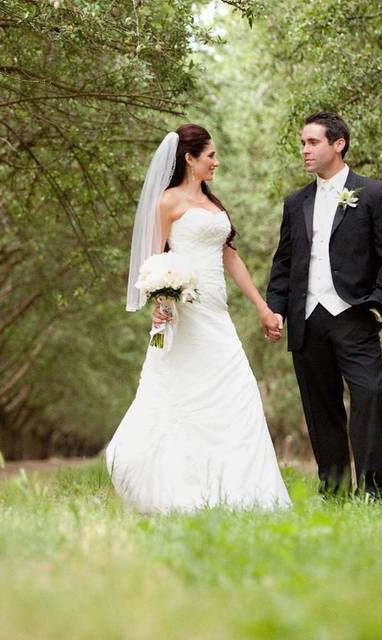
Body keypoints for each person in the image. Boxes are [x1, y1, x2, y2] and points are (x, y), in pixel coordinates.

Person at [104, 123, 291, 514]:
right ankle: (176, 488)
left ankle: (246, 492)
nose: (216, 162)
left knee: (237, 392)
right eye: (210, 156)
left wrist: (262, 306)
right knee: (181, 395)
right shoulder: (168, 203)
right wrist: (160, 298)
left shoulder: (214, 203)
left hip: (217, 314)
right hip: (184, 314)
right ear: (189, 159)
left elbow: (230, 256)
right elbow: (154, 260)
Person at [265, 112, 382, 500]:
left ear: (338, 144)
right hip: (307, 321)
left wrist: (376, 309)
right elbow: (284, 262)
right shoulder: (296, 202)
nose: (305, 150)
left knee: (368, 398)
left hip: (355, 316)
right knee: (321, 409)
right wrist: (275, 309)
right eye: (302, 144)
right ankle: (335, 492)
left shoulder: (376, 194)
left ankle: (374, 493)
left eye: (312, 142)